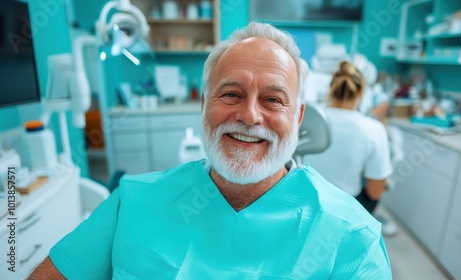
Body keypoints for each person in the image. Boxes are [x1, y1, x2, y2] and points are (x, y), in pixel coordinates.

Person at [29, 22, 392, 279]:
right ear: (204, 104)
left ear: (297, 117)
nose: (250, 115)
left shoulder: (352, 237)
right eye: (231, 94)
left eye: (272, 99)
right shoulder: (133, 202)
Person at [322, 60, 394, 218]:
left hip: (306, 200)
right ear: (361, 92)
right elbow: (375, 193)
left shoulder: (308, 118)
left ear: (331, 88)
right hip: (344, 209)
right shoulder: (373, 128)